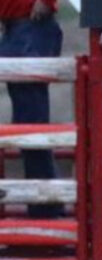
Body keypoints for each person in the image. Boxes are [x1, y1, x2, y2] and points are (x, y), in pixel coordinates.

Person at [0, 0, 62, 218]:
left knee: (30, 125)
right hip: (19, 27)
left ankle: (47, 208)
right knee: (28, 124)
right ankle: (46, 205)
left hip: (28, 27)